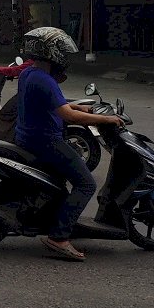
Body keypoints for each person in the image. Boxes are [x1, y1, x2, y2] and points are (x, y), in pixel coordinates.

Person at [16, 27, 122, 263]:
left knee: (67, 180)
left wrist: (79, 106)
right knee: (86, 184)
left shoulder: (30, 73)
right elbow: (68, 117)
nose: (66, 58)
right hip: (47, 142)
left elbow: (55, 105)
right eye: (63, 52)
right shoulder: (45, 80)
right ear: (52, 52)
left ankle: (57, 218)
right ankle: (59, 237)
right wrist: (107, 119)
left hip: (29, 138)